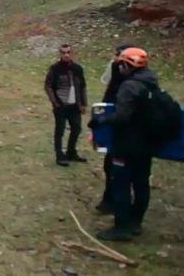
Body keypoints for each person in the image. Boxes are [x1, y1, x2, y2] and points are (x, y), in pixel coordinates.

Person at [89, 48, 159, 242]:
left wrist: (100, 121)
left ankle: (121, 227)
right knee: (141, 182)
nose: (119, 67)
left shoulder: (129, 86)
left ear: (128, 64)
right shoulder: (151, 82)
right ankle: (136, 222)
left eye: (121, 63)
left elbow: (122, 116)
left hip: (127, 143)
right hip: (146, 143)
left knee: (120, 183)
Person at [94, 44, 134, 215]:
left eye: (119, 56)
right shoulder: (117, 71)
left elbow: (123, 112)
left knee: (121, 168)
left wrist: (103, 120)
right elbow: (108, 97)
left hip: (128, 132)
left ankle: (121, 209)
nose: (116, 59)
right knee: (110, 165)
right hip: (116, 128)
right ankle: (109, 199)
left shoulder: (134, 84)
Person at [45, 44, 88, 167]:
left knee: (76, 128)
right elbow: (48, 86)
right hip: (61, 105)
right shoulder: (54, 69)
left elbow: (83, 86)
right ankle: (59, 156)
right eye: (63, 52)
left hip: (75, 105)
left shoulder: (77, 68)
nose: (66, 55)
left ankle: (71, 152)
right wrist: (55, 102)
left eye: (68, 52)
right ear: (60, 54)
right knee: (60, 130)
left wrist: (84, 103)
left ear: (72, 53)